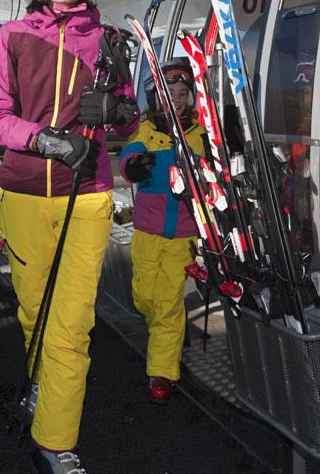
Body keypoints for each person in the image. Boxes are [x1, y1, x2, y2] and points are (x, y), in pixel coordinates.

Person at [0, 0, 139, 474]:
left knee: (71, 326)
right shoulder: (14, 36)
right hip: (23, 194)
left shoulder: (109, 41)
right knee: (35, 313)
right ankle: (40, 387)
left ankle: (54, 440)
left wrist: (116, 109)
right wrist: (51, 140)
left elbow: (134, 119)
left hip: (87, 197)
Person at [119, 59, 205, 406]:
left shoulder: (199, 133)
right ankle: (166, 333)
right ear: (157, 96)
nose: (178, 99)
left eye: (184, 93)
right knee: (144, 297)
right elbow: (128, 159)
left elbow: (213, 170)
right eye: (171, 92)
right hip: (149, 228)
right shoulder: (147, 131)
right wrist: (134, 167)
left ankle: (162, 371)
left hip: (182, 232)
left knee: (168, 304)